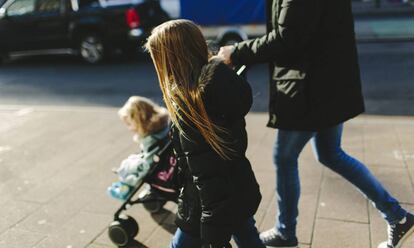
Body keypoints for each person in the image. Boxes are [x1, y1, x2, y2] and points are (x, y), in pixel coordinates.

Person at [215, 0, 414, 248]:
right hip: (325, 84)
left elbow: (289, 36)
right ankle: (398, 217)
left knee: (285, 158)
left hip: (310, 88)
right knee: (331, 154)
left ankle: (286, 231)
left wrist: (237, 52)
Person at [145, 19, 265, 248]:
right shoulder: (219, 87)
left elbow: (206, 172)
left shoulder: (190, 104)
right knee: (247, 235)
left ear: (171, 59)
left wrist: (213, 229)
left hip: (205, 204)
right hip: (238, 185)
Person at [107, 96, 172, 201]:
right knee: (131, 159)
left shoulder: (151, 139)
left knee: (127, 166)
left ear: (138, 122)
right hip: (162, 158)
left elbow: (147, 165)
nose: (129, 128)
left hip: (156, 165)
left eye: (129, 124)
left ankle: (124, 187)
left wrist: (130, 177)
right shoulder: (162, 126)